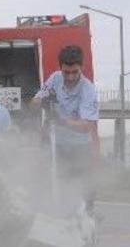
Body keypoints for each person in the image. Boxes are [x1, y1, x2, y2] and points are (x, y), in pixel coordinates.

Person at [31, 45, 99, 213]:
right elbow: (33, 103)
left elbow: (87, 126)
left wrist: (62, 121)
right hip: (56, 144)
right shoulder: (55, 78)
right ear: (60, 67)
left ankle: (88, 217)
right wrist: (43, 102)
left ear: (81, 67)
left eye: (74, 72)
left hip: (79, 146)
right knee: (50, 182)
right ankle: (52, 215)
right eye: (66, 72)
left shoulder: (88, 90)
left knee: (85, 188)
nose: (70, 77)